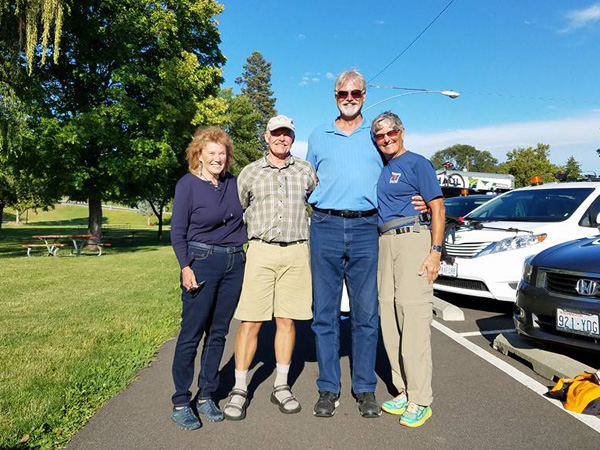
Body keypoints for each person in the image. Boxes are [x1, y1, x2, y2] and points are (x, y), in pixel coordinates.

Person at [223, 115, 317, 420]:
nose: (282, 138)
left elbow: (321, 202)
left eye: (287, 134)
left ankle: (280, 385)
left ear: (292, 137)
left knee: (287, 321)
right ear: (266, 136)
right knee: (250, 322)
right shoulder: (250, 173)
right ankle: (239, 388)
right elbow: (236, 210)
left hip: (296, 251)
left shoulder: (305, 171)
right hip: (261, 251)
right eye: (276, 133)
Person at [306, 69, 383, 418]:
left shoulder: (376, 135)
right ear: (334, 96)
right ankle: (328, 388)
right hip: (325, 225)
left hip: (367, 227)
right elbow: (306, 182)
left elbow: (398, 172)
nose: (349, 98)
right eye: (343, 94)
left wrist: (421, 198)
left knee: (366, 313)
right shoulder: (318, 136)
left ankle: (365, 388)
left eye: (355, 93)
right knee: (325, 312)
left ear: (364, 95)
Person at [170, 126, 247, 430]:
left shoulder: (233, 183)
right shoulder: (187, 185)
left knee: (218, 333)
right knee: (191, 333)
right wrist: (185, 266)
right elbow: (178, 231)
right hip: (200, 261)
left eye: (222, 153)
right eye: (211, 152)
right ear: (198, 155)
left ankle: (206, 395)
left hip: (233, 263)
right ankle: (180, 401)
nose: (217, 158)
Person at [372, 111, 445, 428]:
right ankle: (403, 389)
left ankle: (421, 399)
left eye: (391, 133)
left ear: (401, 131)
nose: (386, 139)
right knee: (389, 318)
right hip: (385, 242)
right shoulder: (382, 168)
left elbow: (437, 207)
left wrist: (435, 252)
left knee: (413, 318)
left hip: (413, 238)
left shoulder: (418, 163)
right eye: (380, 135)